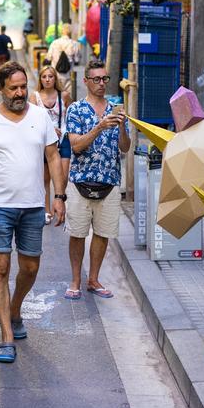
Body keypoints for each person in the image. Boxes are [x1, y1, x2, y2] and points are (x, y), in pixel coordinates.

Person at [0, 62, 67, 364]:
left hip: (34, 205)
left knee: (30, 268)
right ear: (1, 89)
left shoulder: (40, 116)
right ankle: (6, 336)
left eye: (23, 87)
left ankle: (15, 308)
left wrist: (58, 196)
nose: (20, 93)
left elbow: (53, 155)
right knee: (0, 268)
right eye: (13, 88)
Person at [64, 61, 130, 299]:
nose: (101, 83)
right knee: (78, 233)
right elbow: (76, 146)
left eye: (105, 79)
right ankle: (75, 281)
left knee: (103, 234)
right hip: (81, 180)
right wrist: (100, 127)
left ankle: (93, 279)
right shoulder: (76, 109)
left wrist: (122, 127)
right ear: (86, 82)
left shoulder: (116, 108)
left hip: (110, 182)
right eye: (96, 79)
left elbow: (125, 148)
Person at [32, 66, 73, 213]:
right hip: (44, 141)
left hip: (63, 139)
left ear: (55, 78)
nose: (47, 79)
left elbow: (72, 114)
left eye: (50, 76)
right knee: (46, 178)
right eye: (44, 77)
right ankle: (47, 211)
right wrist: (47, 129)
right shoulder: (35, 96)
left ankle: (60, 203)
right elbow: (32, 121)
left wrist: (67, 130)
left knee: (63, 177)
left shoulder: (64, 95)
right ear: (40, 79)